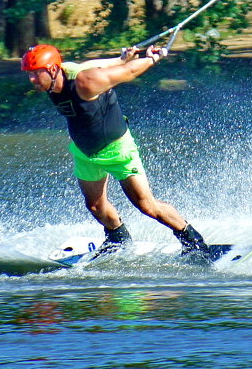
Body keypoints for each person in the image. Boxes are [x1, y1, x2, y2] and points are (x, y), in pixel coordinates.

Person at [21, 42, 216, 261]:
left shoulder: (86, 83)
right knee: (95, 205)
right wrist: (121, 58)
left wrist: (153, 58)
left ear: (52, 69)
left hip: (117, 149)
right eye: (29, 74)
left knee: (147, 206)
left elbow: (129, 72)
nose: (32, 79)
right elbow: (90, 64)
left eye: (36, 74)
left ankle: (193, 241)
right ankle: (118, 238)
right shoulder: (59, 74)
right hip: (85, 152)